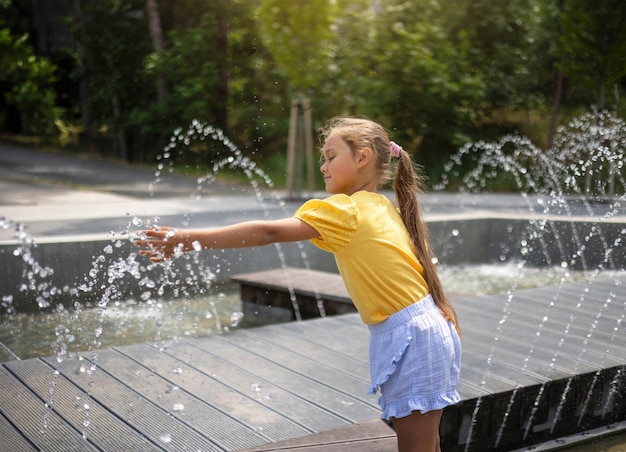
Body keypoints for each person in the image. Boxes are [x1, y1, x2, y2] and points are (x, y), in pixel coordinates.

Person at [134, 116, 461, 451]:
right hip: (422, 330)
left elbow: (269, 232)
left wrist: (187, 238)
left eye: (331, 156)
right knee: (426, 445)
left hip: (412, 337)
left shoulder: (346, 209)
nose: (323, 166)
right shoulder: (379, 204)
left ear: (362, 157)